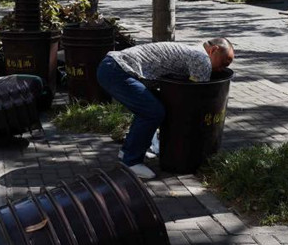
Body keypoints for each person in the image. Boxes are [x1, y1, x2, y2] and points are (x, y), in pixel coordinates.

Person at [96, 38, 235, 180]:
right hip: (117, 71)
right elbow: (197, 98)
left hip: (111, 66)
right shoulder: (202, 59)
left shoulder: (193, 51)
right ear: (214, 50)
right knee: (152, 112)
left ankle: (127, 152)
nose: (222, 68)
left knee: (150, 108)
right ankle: (130, 162)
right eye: (224, 62)